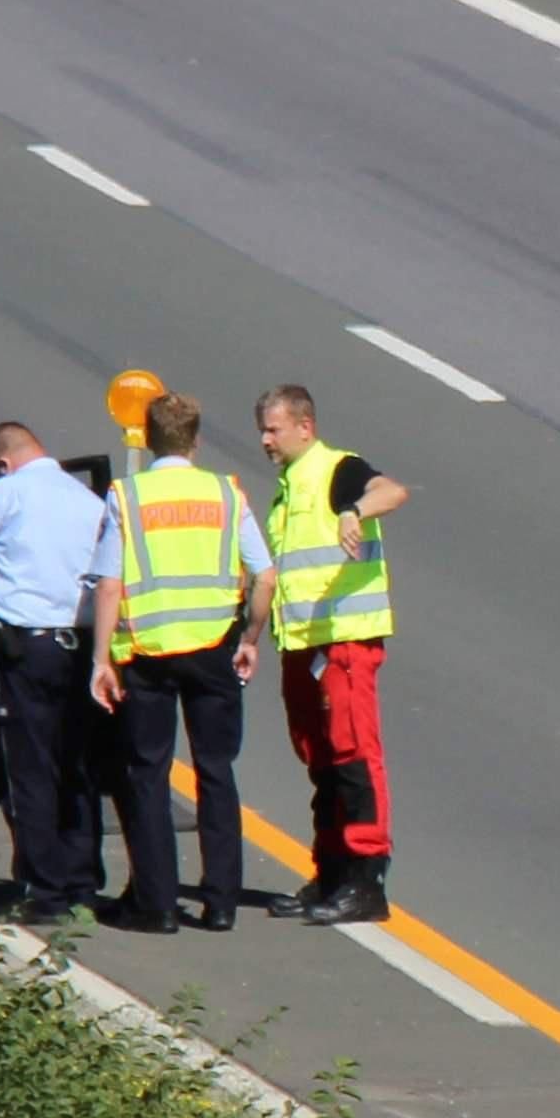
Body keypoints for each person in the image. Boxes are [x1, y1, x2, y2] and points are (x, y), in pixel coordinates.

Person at [89, 388, 269, 933]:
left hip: (147, 651)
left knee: (147, 775)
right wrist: (251, 638)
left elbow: (109, 584)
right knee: (216, 772)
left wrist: (101, 658)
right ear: (197, 439)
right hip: (214, 646)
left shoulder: (127, 497)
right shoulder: (226, 494)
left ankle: (158, 903)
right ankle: (220, 904)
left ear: (146, 437)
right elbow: (264, 576)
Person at [0, 422, 118, 925]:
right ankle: (83, 882)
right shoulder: (89, 501)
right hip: (81, 648)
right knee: (77, 764)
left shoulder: (5, 493)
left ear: (2, 465)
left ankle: (43, 891)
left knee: (29, 769)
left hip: (27, 651)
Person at [249, 382, 409, 922]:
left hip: (344, 637)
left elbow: (391, 491)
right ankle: (332, 874)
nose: (264, 439)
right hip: (303, 641)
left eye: (273, 428)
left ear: (304, 426)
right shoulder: (288, 489)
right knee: (319, 756)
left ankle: (366, 880)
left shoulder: (337, 469)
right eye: (262, 429)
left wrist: (353, 512)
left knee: (353, 752)